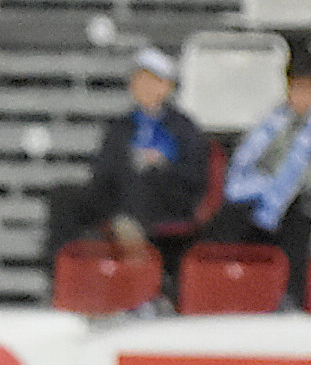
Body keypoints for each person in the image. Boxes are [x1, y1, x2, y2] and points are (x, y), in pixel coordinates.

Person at [199, 44, 311, 304]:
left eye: (306, 89)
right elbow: (248, 162)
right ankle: (214, 289)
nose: (299, 97)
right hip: (263, 199)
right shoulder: (273, 124)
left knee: (298, 223)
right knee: (228, 220)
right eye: (294, 88)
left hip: (310, 206)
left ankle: (290, 298)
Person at [42, 47, 210, 271]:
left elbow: (194, 176)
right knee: (66, 196)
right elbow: (103, 170)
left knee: (142, 176)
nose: (141, 87)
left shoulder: (183, 129)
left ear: (165, 86)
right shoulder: (121, 126)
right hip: (117, 196)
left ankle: (129, 224)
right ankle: (59, 268)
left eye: (150, 81)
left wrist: (160, 164)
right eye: (138, 80)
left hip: (165, 197)